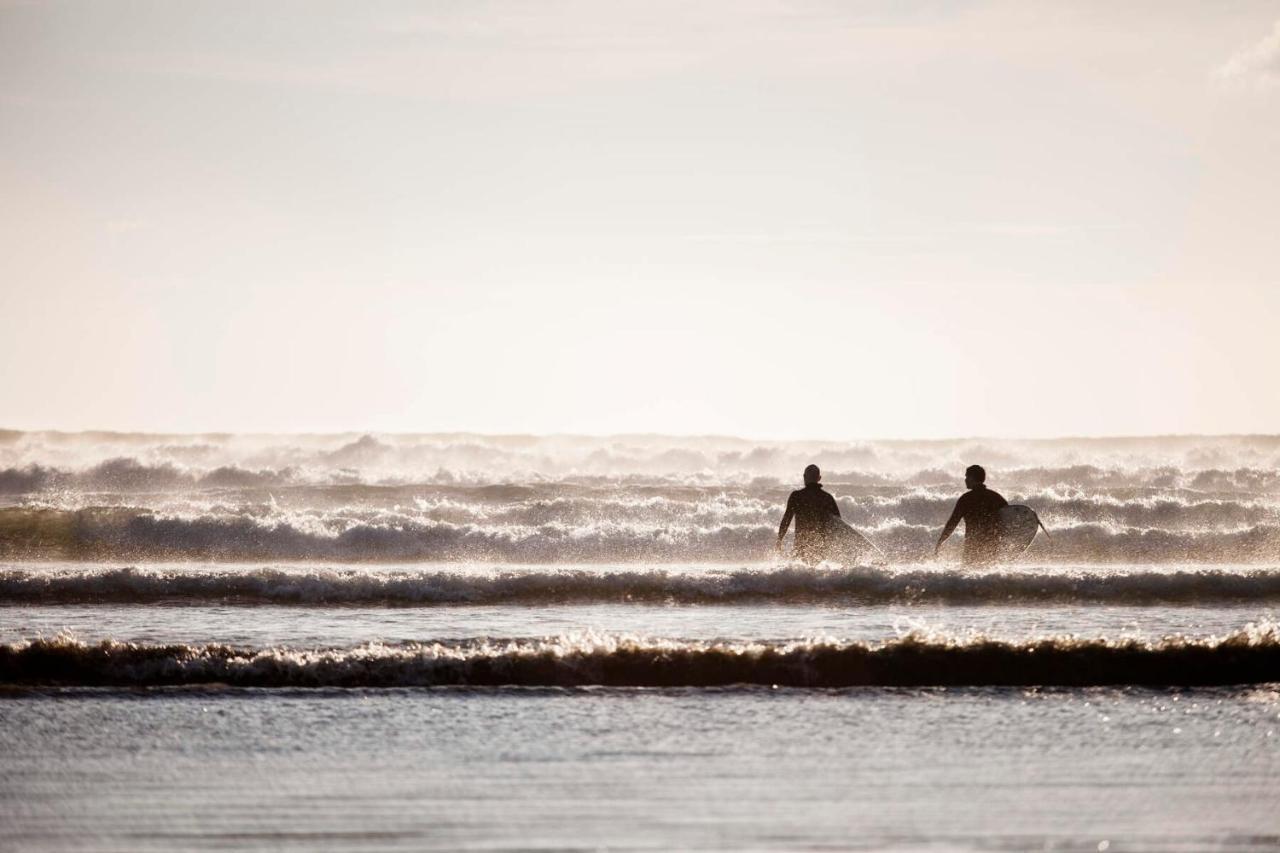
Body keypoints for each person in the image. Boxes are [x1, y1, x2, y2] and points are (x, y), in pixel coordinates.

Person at [935, 464, 1008, 565]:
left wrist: (941, 541)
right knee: (989, 575)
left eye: (966, 477)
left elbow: (953, 522)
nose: (965, 480)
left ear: (972, 478)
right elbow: (1009, 518)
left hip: (973, 545)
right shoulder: (995, 497)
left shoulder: (966, 499)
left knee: (971, 575)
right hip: (992, 545)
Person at [777, 464, 841, 563]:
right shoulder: (827, 498)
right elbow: (837, 525)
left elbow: (786, 520)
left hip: (800, 545)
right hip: (821, 547)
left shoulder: (796, 496)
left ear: (804, 477)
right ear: (819, 478)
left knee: (801, 575)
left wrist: (779, 539)